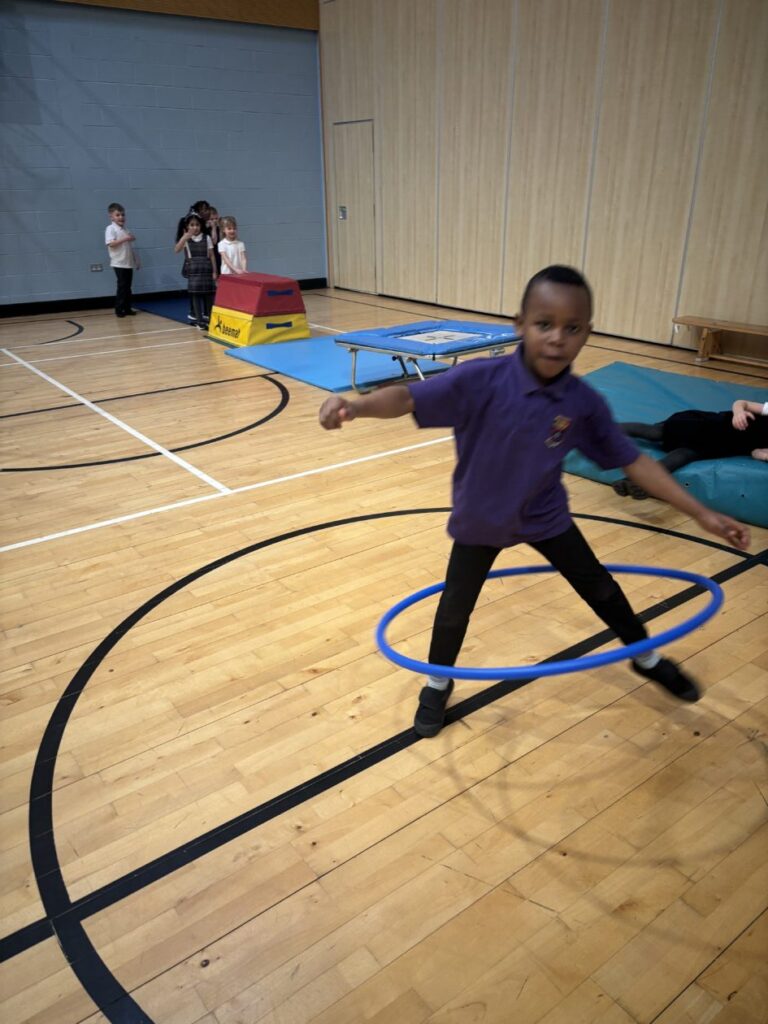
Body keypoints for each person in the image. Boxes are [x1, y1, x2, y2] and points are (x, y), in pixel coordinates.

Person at [318, 265, 751, 737]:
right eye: (544, 324)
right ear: (520, 324)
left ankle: (644, 657)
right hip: (482, 518)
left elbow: (634, 462)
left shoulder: (582, 402)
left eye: (572, 328)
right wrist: (356, 406)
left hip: (545, 515)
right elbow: (406, 398)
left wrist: (702, 513)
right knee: (455, 607)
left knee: (601, 588)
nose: (557, 338)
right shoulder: (479, 380)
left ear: (587, 333)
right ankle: (438, 683)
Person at [612, 400, 768, 499]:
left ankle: (633, 482)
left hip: (717, 445)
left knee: (683, 455)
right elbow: (741, 403)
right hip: (708, 424)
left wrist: (760, 454)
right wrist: (739, 412)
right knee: (656, 433)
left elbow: (757, 453)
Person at [174, 213, 217, 329]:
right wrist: (184, 237)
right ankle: (199, 321)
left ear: (201, 225)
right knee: (196, 296)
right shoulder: (186, 239)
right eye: (192, 225)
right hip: (194, 271)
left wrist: (214, 271)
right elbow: (176, 250)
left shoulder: (206, 237)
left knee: (209, 296)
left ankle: (210, 319)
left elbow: (212, 255)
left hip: (206, 270)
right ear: (187, 226)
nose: (195, 227)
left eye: (197, 225)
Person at [105, 203, 140, 318]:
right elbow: (111, 244)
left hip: (128, 263)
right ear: (111, 217)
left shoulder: (125, 229)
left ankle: (127, 308)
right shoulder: (110, 229)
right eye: (118, 215)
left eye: (123, 215)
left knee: (128, 287)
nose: (121, 217)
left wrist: (136, 260)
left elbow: (130, 247)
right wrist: (126, 238)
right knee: (122, 286)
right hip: (119, 263)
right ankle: (119, 309)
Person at [208, 206, 222, 274]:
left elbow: (222, 240)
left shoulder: (220, 229)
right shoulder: (207, 230)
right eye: (212, 219)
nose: (214, 221)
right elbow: (214, 242)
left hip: (219, 255)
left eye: (216, 218)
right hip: (212, 256)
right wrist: (213, 228)